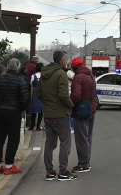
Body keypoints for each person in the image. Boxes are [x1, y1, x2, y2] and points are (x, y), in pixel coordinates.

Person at [40, 50, 77, 181]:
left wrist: (49, 102)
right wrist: (71, 105)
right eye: (66, 59)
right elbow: (63, 95)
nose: (67, 61)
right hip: (60, 114)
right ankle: (63, 172)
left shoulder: (44, 74)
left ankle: (49, 172)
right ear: (62, 61)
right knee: (65, 142)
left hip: (48, 113)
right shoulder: (61, 74)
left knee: (49, 143)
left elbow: (39, 94)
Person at [0, 58, 28, 175]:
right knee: (13, 139)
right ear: (18, 68)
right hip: (14, 113)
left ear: (7, 67)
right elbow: (25, 99)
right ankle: (9, 165)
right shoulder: (20, 81)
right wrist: (20, 109)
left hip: (0, 112)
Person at [70, 57, 97, 173]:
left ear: (73, 67)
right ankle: (87, 162)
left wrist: (70, 104)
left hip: (81, 111)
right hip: (91, 110)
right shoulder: (90, 76)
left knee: (81, 139)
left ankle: (83, 164)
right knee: (88, 138)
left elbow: (76, 96)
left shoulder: (78, 77)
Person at [29, 63, 44, 131]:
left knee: (33, 110)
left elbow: (31, 85)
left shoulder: (33, 76)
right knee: (41, 110)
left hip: (35, 94)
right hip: (42, 94)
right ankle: (38, 126)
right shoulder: (44, 76)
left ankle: (32, 125)